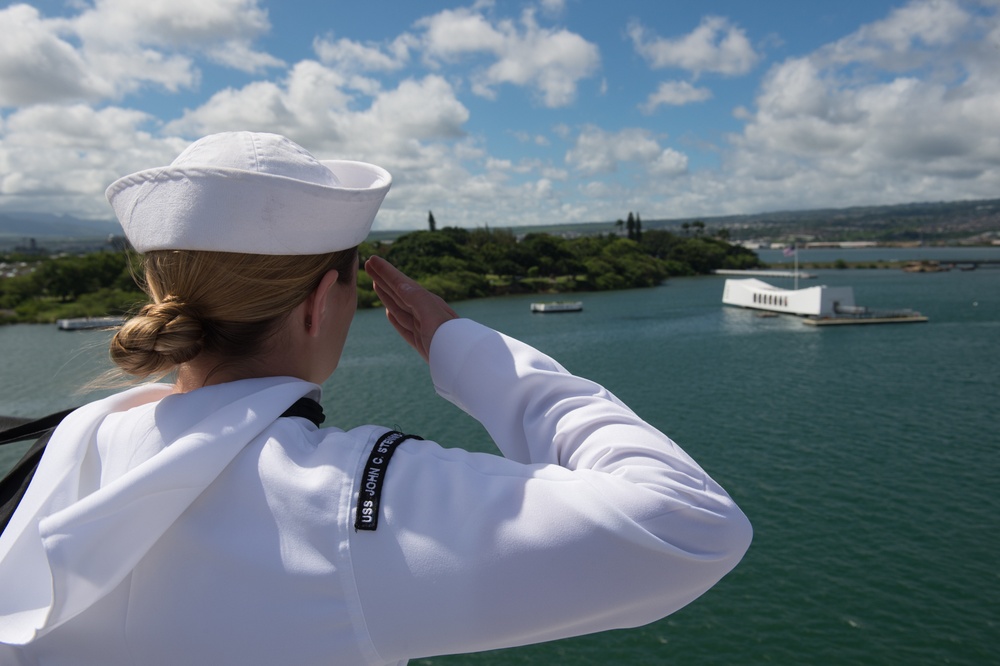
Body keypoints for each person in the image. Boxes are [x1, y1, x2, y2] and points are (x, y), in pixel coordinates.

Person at [0, 132, 751, 665]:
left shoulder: (70, 446)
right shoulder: (339, 505)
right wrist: (470, 350)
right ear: (320, 301)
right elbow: (691, 524)